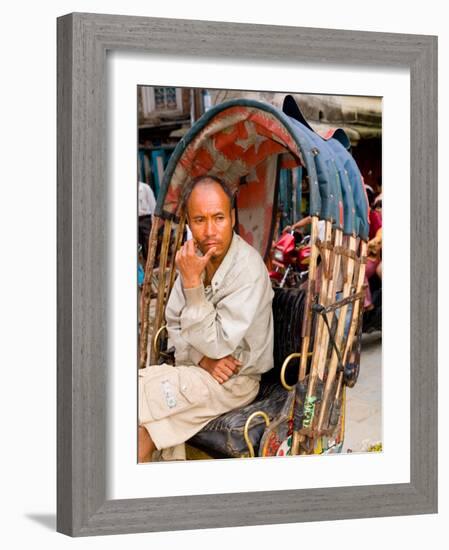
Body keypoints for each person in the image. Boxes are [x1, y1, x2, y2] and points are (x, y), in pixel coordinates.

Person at [138, 175, 274, 462]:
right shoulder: (194, 258)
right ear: (188, 222)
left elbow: (220, 345)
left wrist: (192, 285)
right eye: (200, 220)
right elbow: (174, 321)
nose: (210, 230)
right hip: (197, 368)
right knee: (139, 417)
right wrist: (201, 359)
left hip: (235, 380)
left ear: (233, 218)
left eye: (219, 218)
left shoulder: (247, 269)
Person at [138, 181, 156, 261]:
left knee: (149, 240)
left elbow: (152, 204)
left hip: (145, 219)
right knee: (139, 243)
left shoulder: (145, 188)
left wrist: (155, 222)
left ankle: (152, 261)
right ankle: (144, 261)